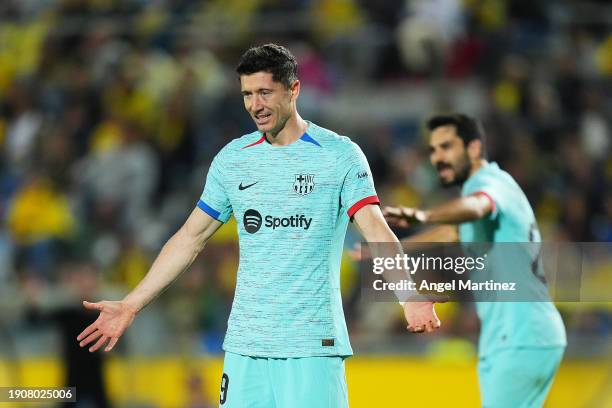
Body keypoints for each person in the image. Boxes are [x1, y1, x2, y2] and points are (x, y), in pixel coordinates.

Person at [76, 44, 442, 407]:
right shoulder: (233, 160)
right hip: (245, 346)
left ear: (293, 89)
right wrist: (132, 304)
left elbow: (377, 231)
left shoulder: (338, 155)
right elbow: (190, 238)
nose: (255, 105)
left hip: (311, 346)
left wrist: (408, 296)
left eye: (265, 92)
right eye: (247, 94)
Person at [383, 113, 567, 408]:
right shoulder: (501, 185)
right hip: (524, 336)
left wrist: (424, 215)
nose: (438, 158)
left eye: (447, 147)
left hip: (518, 336)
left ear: (473, 149)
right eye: (433, 150)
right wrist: (394, 246)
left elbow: (479, 206)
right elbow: (456, 228)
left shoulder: (487, 184)